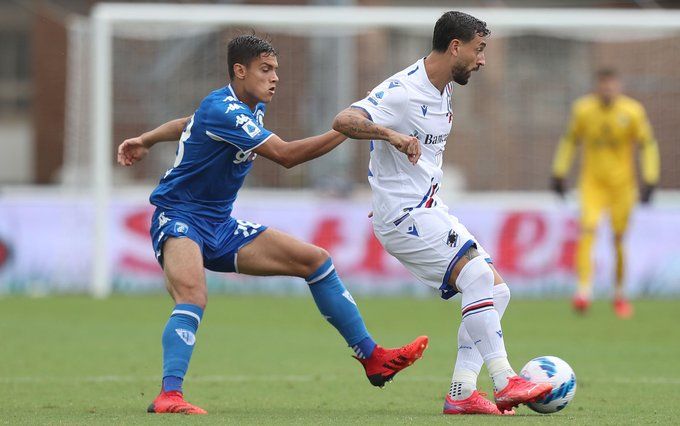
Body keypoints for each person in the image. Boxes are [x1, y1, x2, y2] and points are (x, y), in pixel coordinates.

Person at [117, 34, 428, 415]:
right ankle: (169, 395)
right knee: (192, 296)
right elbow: (285, 155)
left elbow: (188, 123)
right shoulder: (224, 110)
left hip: (220, 225)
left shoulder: (246, 107)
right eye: (265, 69)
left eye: (276, 69)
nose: (275, 77)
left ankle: (372, 358)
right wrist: (351, 128)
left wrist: (146, 139)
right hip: (179, 216)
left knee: (315, 260)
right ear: (239, 70)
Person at [331, 11, 552, 415]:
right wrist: (391, 135)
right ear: (455, 46)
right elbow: (344, 120)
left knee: (496, 290)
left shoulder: (445, 88)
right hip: (404, 215)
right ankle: (505, 380)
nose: (482, 59)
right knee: (477, 276)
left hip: (429, 208)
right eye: (478, 49)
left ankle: (462, 391)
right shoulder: (403, 90)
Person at [550, 68, 660, 318]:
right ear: (597, 87)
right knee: (587, 231)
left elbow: (647, 144)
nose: (608, 90)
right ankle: (583, 292)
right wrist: (559, 172)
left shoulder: (632, 111)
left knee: (618, 239)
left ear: (618, 87)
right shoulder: (583, 110)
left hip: (622, 187)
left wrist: (651, 178)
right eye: (603, 85)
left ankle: (619, 294)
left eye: (612, 85)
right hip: (593, 185)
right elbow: (570, 141)